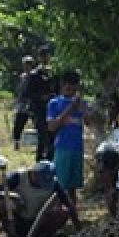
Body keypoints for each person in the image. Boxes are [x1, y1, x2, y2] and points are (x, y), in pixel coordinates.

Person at [0, 160, 79, 237]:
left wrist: (79, 228)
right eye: (41, 181)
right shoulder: (17, 177)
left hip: (38, 222)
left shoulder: (54, 183)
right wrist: (13, 196)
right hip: (17, 220)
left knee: (64, 212)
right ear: (33, 173)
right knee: (1, 203)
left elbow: (69, 204)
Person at [46, 71, 87, 204]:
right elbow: (52, 126)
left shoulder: (81, 102)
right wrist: (70, 108)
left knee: (73, 186)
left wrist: (83, 109)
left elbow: (89, 122)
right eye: (68, 88)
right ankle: (56, 210)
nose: (71, 91)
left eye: (74, 88)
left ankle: (72, 211)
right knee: (60, 184)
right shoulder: (54, 103)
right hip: (63, 147)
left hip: (78, 147)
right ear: (62, 86)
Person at [23, 46, 56, 162]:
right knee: (43, 138)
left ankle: (50, 162)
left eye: (47, 55)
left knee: (52, 138)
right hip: (39, 111)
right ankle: (40, 162)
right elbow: (27, 94)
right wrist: (42, 97)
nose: (45, 58)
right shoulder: (34, 75)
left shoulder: (53, 73)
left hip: (53, 110)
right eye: (43, 56)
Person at [10, 55, 35, 151]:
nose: (26, 66)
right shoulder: (22, 77)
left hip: (32, 104)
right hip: (22, 105)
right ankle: (16, 143)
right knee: (18, 124)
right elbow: (19, 90)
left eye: (28, 64)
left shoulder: (34, 76)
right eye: (25, 64)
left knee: (37, 124)